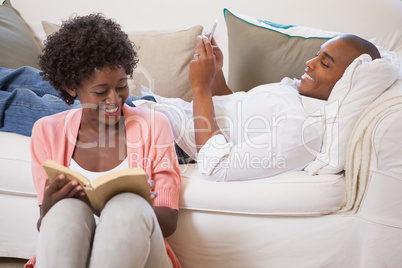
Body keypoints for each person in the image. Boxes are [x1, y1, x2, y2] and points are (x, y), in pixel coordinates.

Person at [25, 13, 181, 268]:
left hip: (140, 250)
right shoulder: (46, 132)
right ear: (71, 87)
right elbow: (47, 228)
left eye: (121, 85)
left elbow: (169, 221)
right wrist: (48, 209)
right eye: (100, 92)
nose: (114, 99)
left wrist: (113, 203)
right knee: (66, 210)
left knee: (127, 206)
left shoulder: (154, 125)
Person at [142, 33, 381, 181]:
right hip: (159, 111)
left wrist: (200, 88)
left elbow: (215, 166)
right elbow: (236, 114)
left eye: (324, 63)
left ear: (347, 84)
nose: (309, 63)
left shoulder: (304, 131)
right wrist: (215, 75)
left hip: (166, 136)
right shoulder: (295, 90)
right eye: (316, 55)